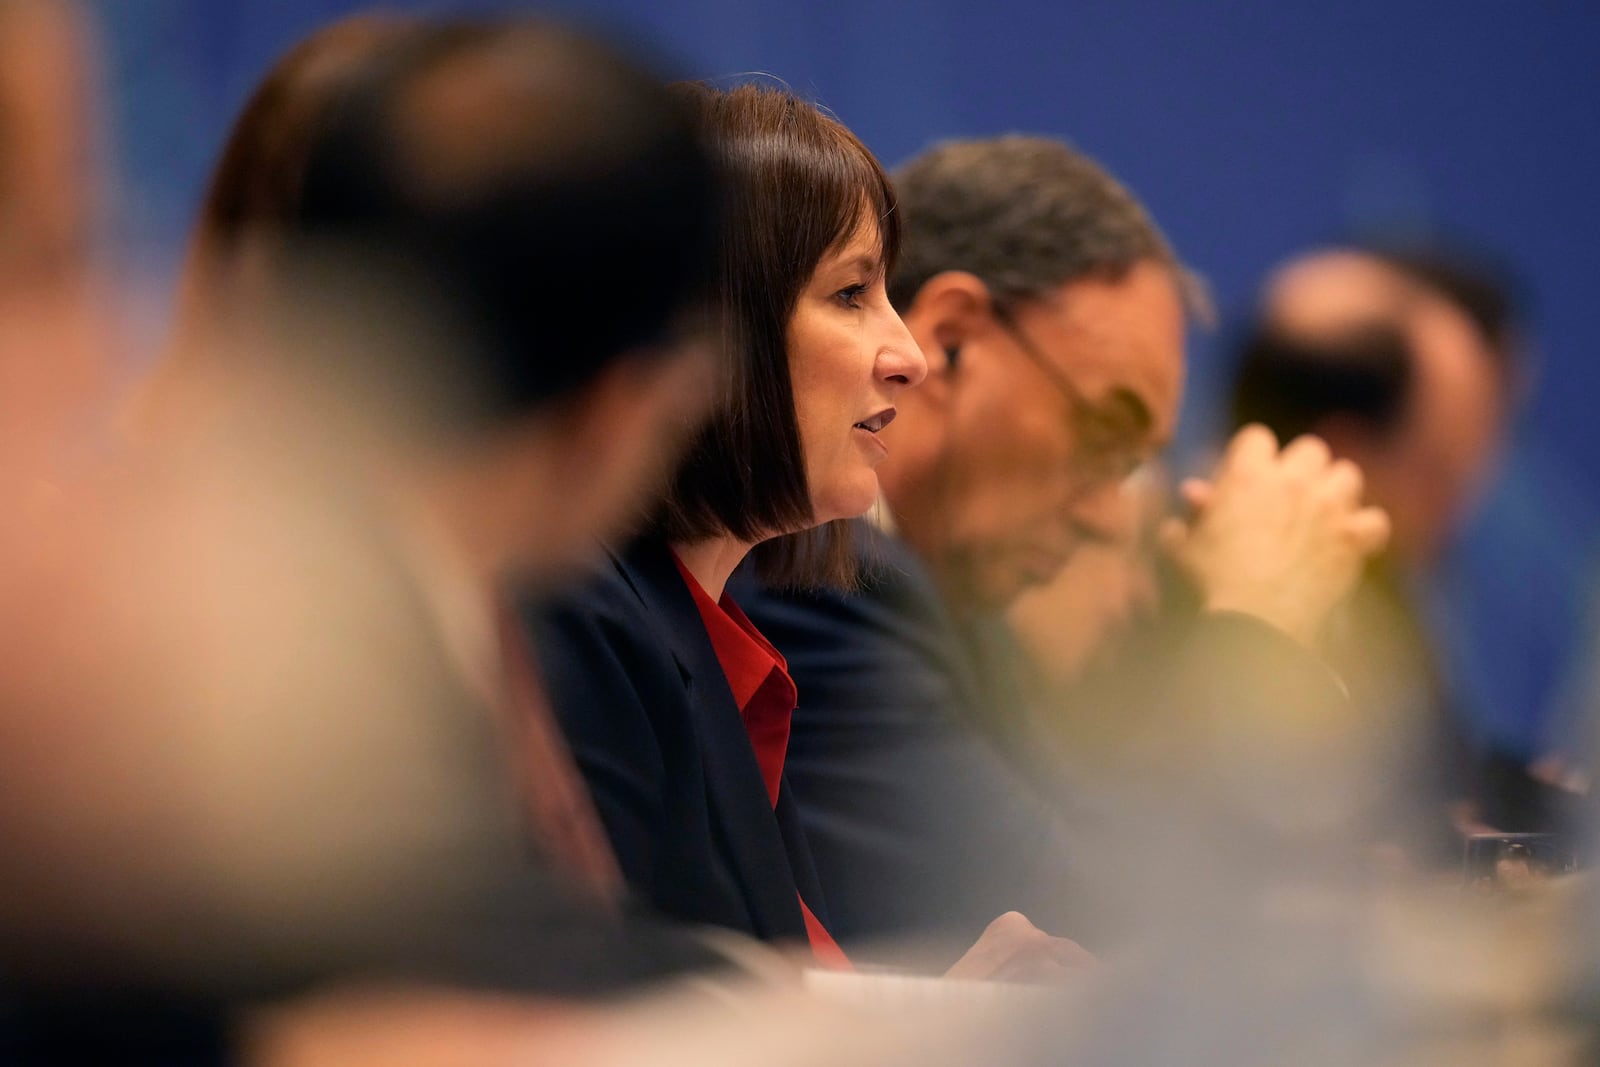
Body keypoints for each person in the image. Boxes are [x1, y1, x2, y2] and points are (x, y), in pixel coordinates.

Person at [2, 15, 740, 1059]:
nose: (89, 349)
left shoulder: (417, 600)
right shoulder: (230, 672)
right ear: (629, 402)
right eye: (43, 258)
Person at [738, 136, 1390, 956]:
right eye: (1104, 434)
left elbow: (1101, 844)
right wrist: (1256, 624)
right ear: (950, 341)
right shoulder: (816, 584)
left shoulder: (955, 605)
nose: (1113, 518)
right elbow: (1123, 933)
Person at [529, 84, 1091, 980]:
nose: (906, 356)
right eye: (849, 292)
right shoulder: (583, 619)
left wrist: (947, 1020)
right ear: (706, 324)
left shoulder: (709, 641)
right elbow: (609, 1025)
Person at [1229, 243, 1571, 856]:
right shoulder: (1237, 618)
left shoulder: (1383, 599)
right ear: (1345, 451)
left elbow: (1436, 784)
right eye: (1443, 468)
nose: (1466, 501)